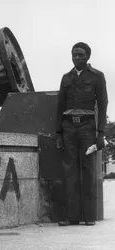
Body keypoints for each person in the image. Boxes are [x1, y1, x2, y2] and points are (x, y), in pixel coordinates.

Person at [55, 42, 108, 226]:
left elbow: (103, 104)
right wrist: (58, 132)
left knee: (88, 170)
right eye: (74, 55)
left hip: (87, 129)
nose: (77, 58)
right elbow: (60, 105)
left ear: (88, 57)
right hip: (69, 128)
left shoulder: (97, 77)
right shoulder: (66, 78)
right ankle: (72, 216)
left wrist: (100, 133)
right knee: (69, 171)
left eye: (81, 55)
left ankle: (89, 216)